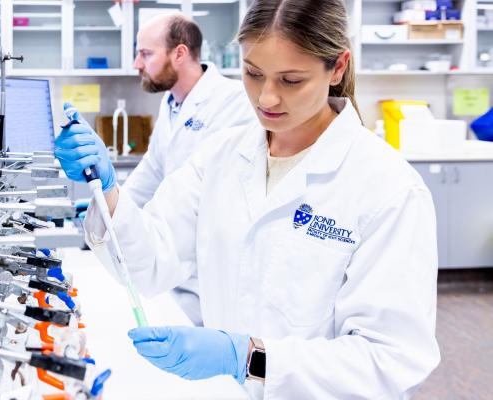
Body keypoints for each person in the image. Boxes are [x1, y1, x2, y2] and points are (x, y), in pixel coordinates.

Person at [55, 0, 440, 398]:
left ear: (337, 67)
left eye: (291, 80)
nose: (267, 99)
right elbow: (151, 262)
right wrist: (106, 192)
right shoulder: (220, 156)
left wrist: (248, 358)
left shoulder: (388, 188)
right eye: (253, 74)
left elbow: (390, 359)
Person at [60, 13, 255, 327]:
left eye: (145, 54)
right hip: (173, 277)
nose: (137, 63)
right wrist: (107, 205)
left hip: (209, 279)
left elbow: (207, 202)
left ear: (179, 54)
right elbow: (150, 173)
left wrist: (116, 208)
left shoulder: (233, 104)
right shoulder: (172, 104)